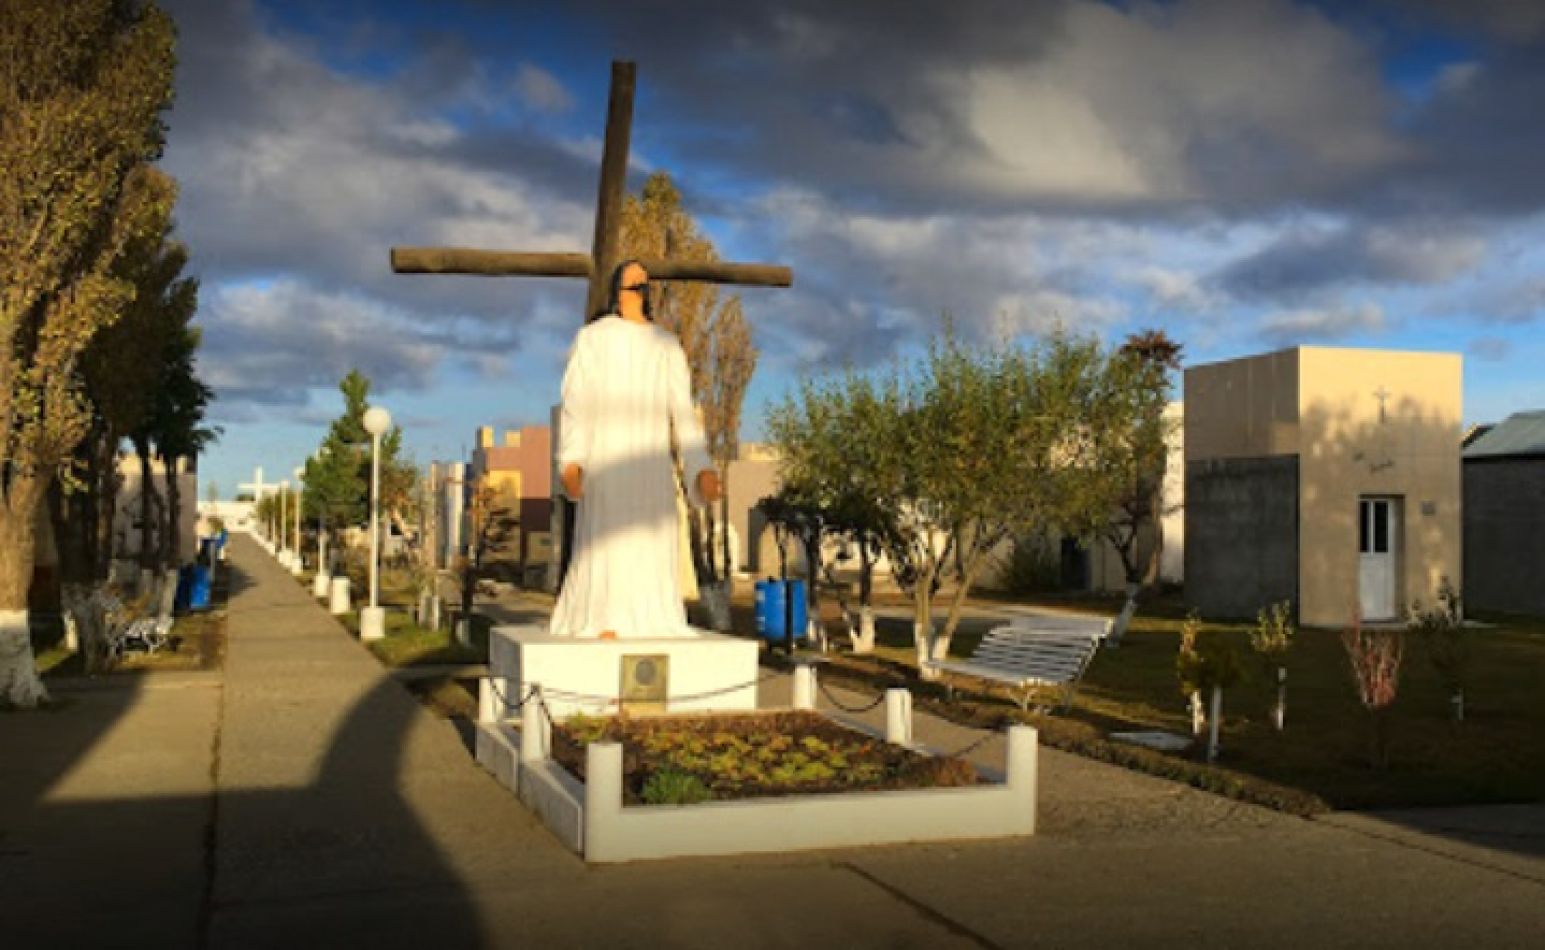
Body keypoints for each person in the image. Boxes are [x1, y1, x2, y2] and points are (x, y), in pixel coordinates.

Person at [549, 260, 721, 639]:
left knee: (649, 538)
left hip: (651, 461)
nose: (638, 292)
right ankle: (604, 616)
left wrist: (699, 467)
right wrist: (572, 458)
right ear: (616, 291)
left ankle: (650, 618)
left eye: (644, 285)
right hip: (608, 457)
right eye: (631, 285)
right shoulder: (594, 339)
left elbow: (683, 412)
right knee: (609, 538)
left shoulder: (666, 345)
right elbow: (577, 400)